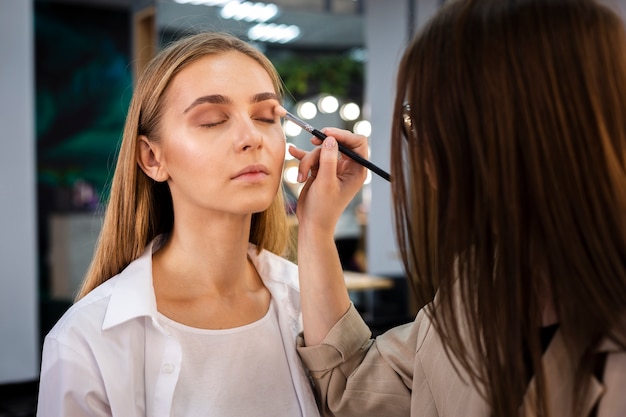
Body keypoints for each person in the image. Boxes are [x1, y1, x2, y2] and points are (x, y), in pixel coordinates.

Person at [289, 0, 626, 416]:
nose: (423, 153)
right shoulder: (475, 289)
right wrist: (315, 228)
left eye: (432, 123)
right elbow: (357, 393)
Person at [37, 32, 320, 417]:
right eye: (212, 121)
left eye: (266, 116)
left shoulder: (310, 303)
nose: (252, 137)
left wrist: (318, 227)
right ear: (152, 158)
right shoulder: (86, 340)